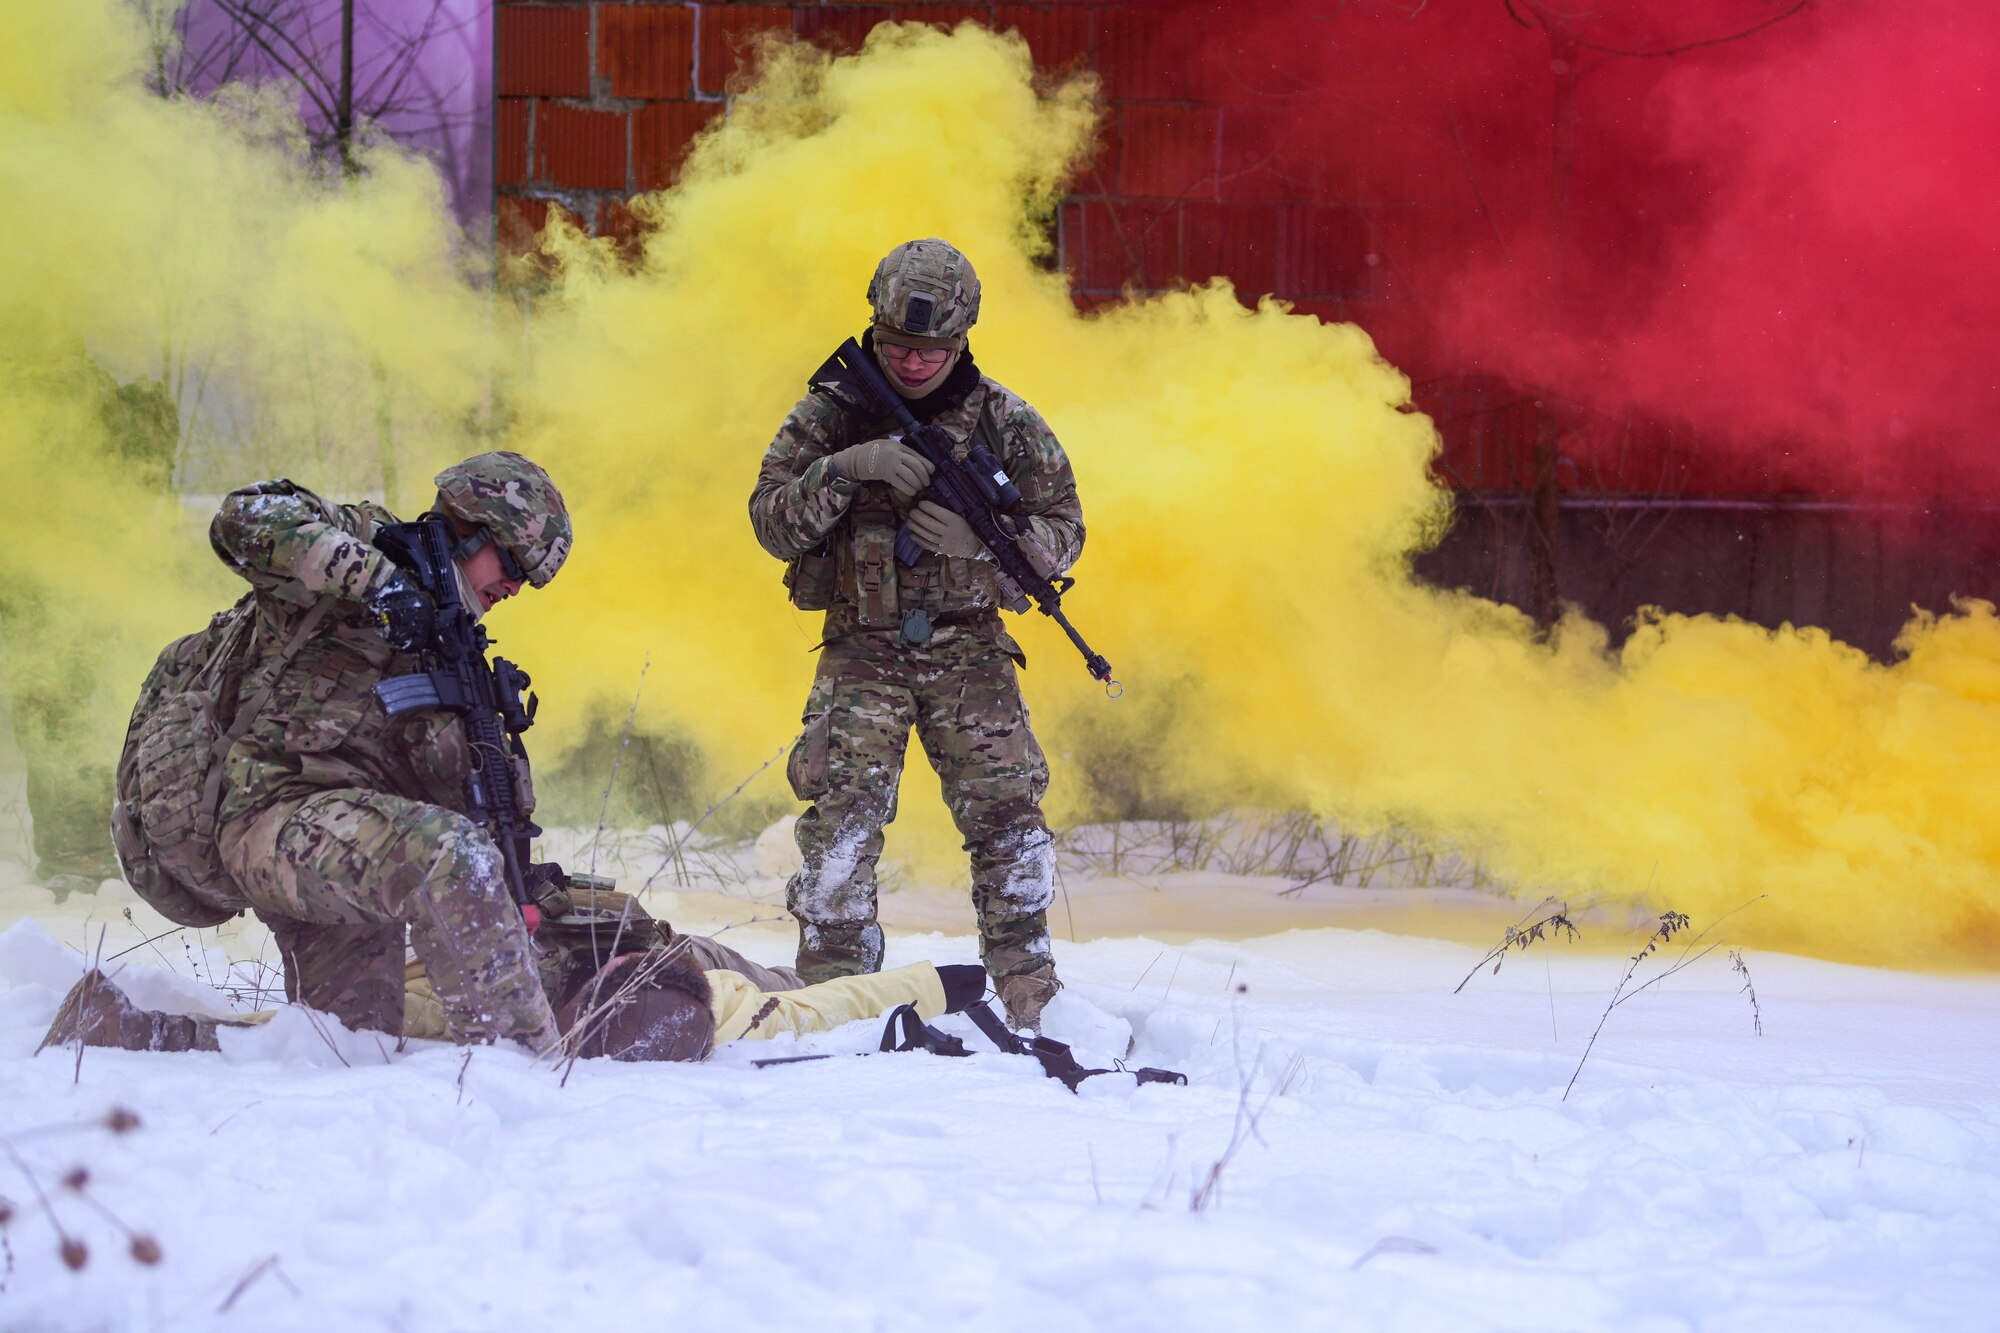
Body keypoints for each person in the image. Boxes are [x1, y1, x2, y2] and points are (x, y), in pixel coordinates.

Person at [749, 239, 1084, 1030]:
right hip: (863, 646)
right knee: (841, 827)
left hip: (970, 647)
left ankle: (1032, 997)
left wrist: (985, 543)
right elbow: (769, 521)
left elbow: (1065, 526)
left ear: (963, 338)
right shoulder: (831, 413)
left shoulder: (1004, 420)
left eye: (931, 350)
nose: (910, 363)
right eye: (897, 345)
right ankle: (834, 1000)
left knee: (1010, 823)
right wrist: (846, 469)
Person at [201, 451, 575, 1053]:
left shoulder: (455, 646)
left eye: (527, 579)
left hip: (357, 855)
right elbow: (244, 517)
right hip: (271, 818)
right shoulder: (368, 544)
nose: (514, 586)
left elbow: (452, 804)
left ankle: (134, 1030)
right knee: (455, 858)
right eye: (511, 562)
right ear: (469, 527)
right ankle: (527, 1077)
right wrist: (382, 585)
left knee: (349, 1048)